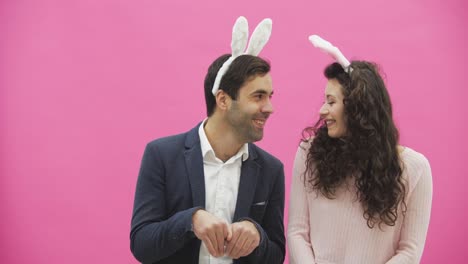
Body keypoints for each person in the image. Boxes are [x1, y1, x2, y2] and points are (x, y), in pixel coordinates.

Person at [130, 17, 285, 264]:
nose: (269, 108)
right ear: (223, 100)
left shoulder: (271, 169)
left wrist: (258, 236)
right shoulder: (162, 155)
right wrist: (191, 220)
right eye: (258, 96)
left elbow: (276, 254)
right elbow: (141, 244)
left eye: (270, 96)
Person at [287, 35, 433, 264]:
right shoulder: (309, 153)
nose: (323, 111)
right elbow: (297, 231)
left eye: (331, 102)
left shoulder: (415, 169)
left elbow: (410, 251)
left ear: (357, 108)